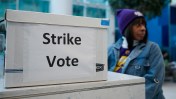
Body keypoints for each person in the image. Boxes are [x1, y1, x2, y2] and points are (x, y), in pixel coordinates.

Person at [108, 9, 165, 99]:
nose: (143, 28)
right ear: (127, 27)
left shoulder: (152, 48)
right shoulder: (111, 50)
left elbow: (154, 81)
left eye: (144, 24)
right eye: (138, 24)